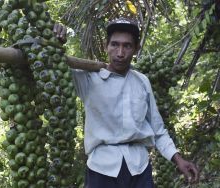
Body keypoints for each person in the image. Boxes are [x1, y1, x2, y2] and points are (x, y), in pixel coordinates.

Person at [53, 18, 199, 188]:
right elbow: (54, 67)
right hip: (101, 170)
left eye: (127, 46)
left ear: (136, 49)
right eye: (114, 44)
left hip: (139, 169)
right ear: (106, 46)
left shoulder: (142, 82)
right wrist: (55, 41)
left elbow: (157, 130)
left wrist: (178, 159)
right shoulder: (88, 79)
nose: (120, 53)